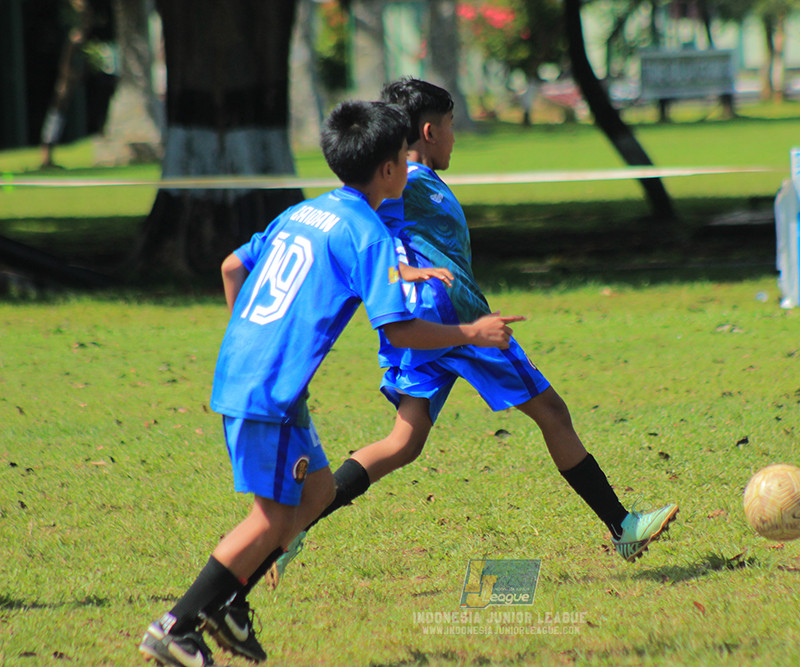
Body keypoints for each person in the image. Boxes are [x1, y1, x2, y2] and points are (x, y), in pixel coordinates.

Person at [138, 100, 523, 667]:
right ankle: (176, 625)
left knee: (317, 495)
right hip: (267, 389)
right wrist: (471, 330)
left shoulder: (307, 211)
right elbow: (401, 328)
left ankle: (229, 606)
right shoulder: (368, 232)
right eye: (402, 158)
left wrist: (254, 337)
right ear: (391, 170)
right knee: (270, 520)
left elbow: (231, 267)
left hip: (259, 375)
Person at [268, 78, 679, 579]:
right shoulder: (408, 182)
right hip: (456, 321)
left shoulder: (414, 181)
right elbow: (371, 218)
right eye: (450, 126)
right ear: (428, 131)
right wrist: (403, 272)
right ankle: (623, 526)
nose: (454, 137)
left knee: (403, 442)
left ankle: (293, 527)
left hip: (424, 327)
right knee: (551, 410)